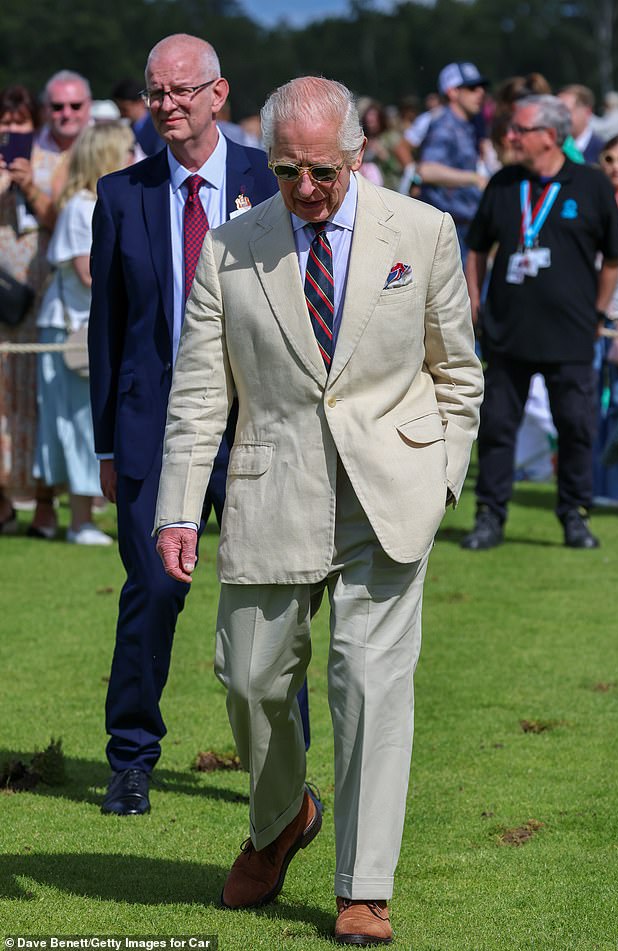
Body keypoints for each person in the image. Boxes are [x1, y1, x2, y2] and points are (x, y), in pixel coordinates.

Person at [154, 76, 483, 945]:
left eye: (322, 173)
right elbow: (197, 395)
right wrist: (177, 509)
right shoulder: (229, 249)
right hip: (272, 490)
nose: (305, 189)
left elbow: (458, 373)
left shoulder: (424, 230)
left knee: (370, 686)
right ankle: (280, 819)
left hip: (391, 495)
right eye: (288, 170)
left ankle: (363, 884)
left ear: (357, 153)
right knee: (252, 679)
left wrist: (443, 472)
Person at [88, 33, 306, 817]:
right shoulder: (122, 195)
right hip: (154, 433)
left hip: (258, 429)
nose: (169, 105)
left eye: (183, 91)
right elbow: (107, 331)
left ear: (218, 94)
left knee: (275, 600)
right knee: (150, 591)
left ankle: (287, 767)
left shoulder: (275, 178)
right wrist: (108, 441)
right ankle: (131, 759)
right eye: (157, 93)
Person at [462, 95, 618, 551]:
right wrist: (475, 300)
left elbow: (614, 257)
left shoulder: (592, 186)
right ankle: (489, 516)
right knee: (497, 429)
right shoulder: (503, 183)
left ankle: (575, 515)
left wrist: (598, 311)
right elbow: (476, 248)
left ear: (550, 136)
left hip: (572, 334)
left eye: (519, 129)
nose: (509, 137)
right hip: (507, 332)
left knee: (576, 427)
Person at [34, 122, 135, 545]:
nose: (136, 155)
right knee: (78, 425)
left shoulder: (99, 202)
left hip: (91, 327)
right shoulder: (80, 206)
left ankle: (81, 516)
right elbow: (87, 273)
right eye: (128, 149)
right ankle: (79, 521)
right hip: (72, 331)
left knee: (86, 423)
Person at [0, 74, 92, 538]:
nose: (66, 115)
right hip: (6, 276)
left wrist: (30, 189)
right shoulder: (27, 150)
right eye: (57, 107)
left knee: (38, 400)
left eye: (74, 106)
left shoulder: (91, 153)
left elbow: (66, 224)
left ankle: (43, 501)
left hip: (43, 284)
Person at [593, 133, 618, 505]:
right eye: (609, 159)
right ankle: (591, 485)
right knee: (587, 403)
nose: (616, 167)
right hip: (590, 312)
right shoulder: (592, 200)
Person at [415, 62, 490, 260]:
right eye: (472, 88)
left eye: (481, 87)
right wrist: (474, 178)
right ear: (453, 92)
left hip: (463, 225)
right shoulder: (445, 125)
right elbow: (426, 170)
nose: (481, 93)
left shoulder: (468, 124)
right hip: (450, 229)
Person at [111, 78, 163, 157]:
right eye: (119, 109)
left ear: (141, 102)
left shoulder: (158, 126)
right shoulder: (125, 128)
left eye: (124, 109)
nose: (121, 114)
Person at [558, 85, 605, 164]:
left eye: (565, 111)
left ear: (587, 112)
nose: (559, 117)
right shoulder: (553, 149)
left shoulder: (603, 151)